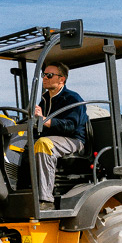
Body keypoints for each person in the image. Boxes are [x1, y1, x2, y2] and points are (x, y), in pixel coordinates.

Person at [33, 64, 88, 206]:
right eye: (44, 75)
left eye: (49, 75)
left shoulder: (73, 99)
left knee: (44, 144)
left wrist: (44, 120)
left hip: (73, 140)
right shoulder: (44, 100)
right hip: (52, 139)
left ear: (61, 80)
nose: (45, 78)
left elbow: (71, 126)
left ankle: (45, 200)